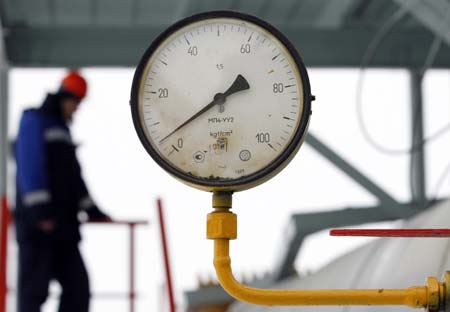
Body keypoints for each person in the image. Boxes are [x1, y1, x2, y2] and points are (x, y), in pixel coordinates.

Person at [14, 70, 111, 312]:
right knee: (33, 293)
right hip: (39, 229)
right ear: (65, 98)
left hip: (63, 228)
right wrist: (40, 213)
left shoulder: (62, 130)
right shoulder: (33, 121)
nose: (75, 110)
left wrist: (93, 210)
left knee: (77, 288)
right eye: (75, 105)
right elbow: (30, 165)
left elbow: (73, 177)